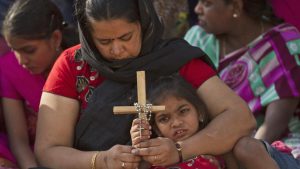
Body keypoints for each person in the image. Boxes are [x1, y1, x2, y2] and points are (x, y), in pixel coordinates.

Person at [34, 0, 255, 168]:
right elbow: (47, 150)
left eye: (126, 37)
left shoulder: (174, 59)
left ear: (143, 23)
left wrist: (179, 150)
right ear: (88, 35)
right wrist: (100, 160)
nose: (117, 50)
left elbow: (240, 118)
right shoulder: (73, 65)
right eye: (104, 42)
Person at [184, 0, 300, 153]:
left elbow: (272, 128)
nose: (197, 9)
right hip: (204, 143)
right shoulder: (197, 39)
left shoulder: (282, 44)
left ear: (236, 7)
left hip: (269, 146)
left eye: (207, 3)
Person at [131, 75, 300, 169]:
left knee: (247, 146)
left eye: (183, 111)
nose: (176, 123)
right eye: (164, 118)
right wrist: (141, 141)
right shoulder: (158, 158)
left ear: (200, 113)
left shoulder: (218, 144)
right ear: (157, 130)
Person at [0, 0, 79, 168]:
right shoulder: (9, 68)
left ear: (56, 38)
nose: (22, 61)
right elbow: (18, 141)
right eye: (15, 50)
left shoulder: (79, 64)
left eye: (29, 50)